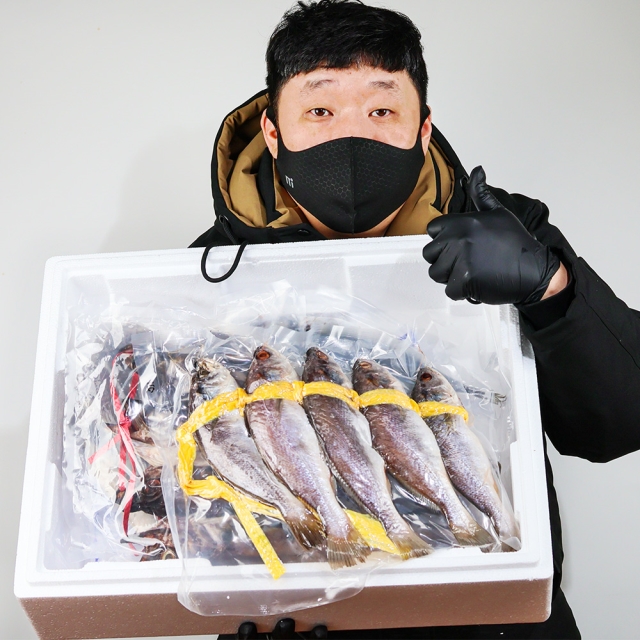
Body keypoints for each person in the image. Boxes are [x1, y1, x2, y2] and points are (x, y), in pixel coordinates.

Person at [191, 1, 640, 638]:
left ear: (422, 130)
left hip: (497, 619)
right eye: (320, 111)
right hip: (304, 617)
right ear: (272, 131)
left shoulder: (505, 230)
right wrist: (241, 591)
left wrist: (551, 288)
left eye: (382, 110)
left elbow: (618, 424)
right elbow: (196, 485)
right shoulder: (207, 275)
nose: (351, 138)